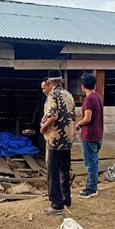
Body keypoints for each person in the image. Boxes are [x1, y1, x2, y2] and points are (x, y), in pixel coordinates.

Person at [40, 70, 76, 216]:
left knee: (53, 172)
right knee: (64, 170)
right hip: (67, 139)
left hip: (55, 139)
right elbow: (73, 116)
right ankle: (66, 199)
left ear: (49, 82)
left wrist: (43, 128)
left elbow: (53, 116)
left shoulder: (52, 95)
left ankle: (56, 205)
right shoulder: (69, 95)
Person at [75, 73, 104, 199]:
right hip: (97, 134)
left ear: (82, 86)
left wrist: (78, 124)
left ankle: (92, 189)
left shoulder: (88, 99)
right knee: (94, 161)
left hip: (89, 135)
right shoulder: (97, 97)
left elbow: (87, 118)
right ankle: (92, 186)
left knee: (90, 163)